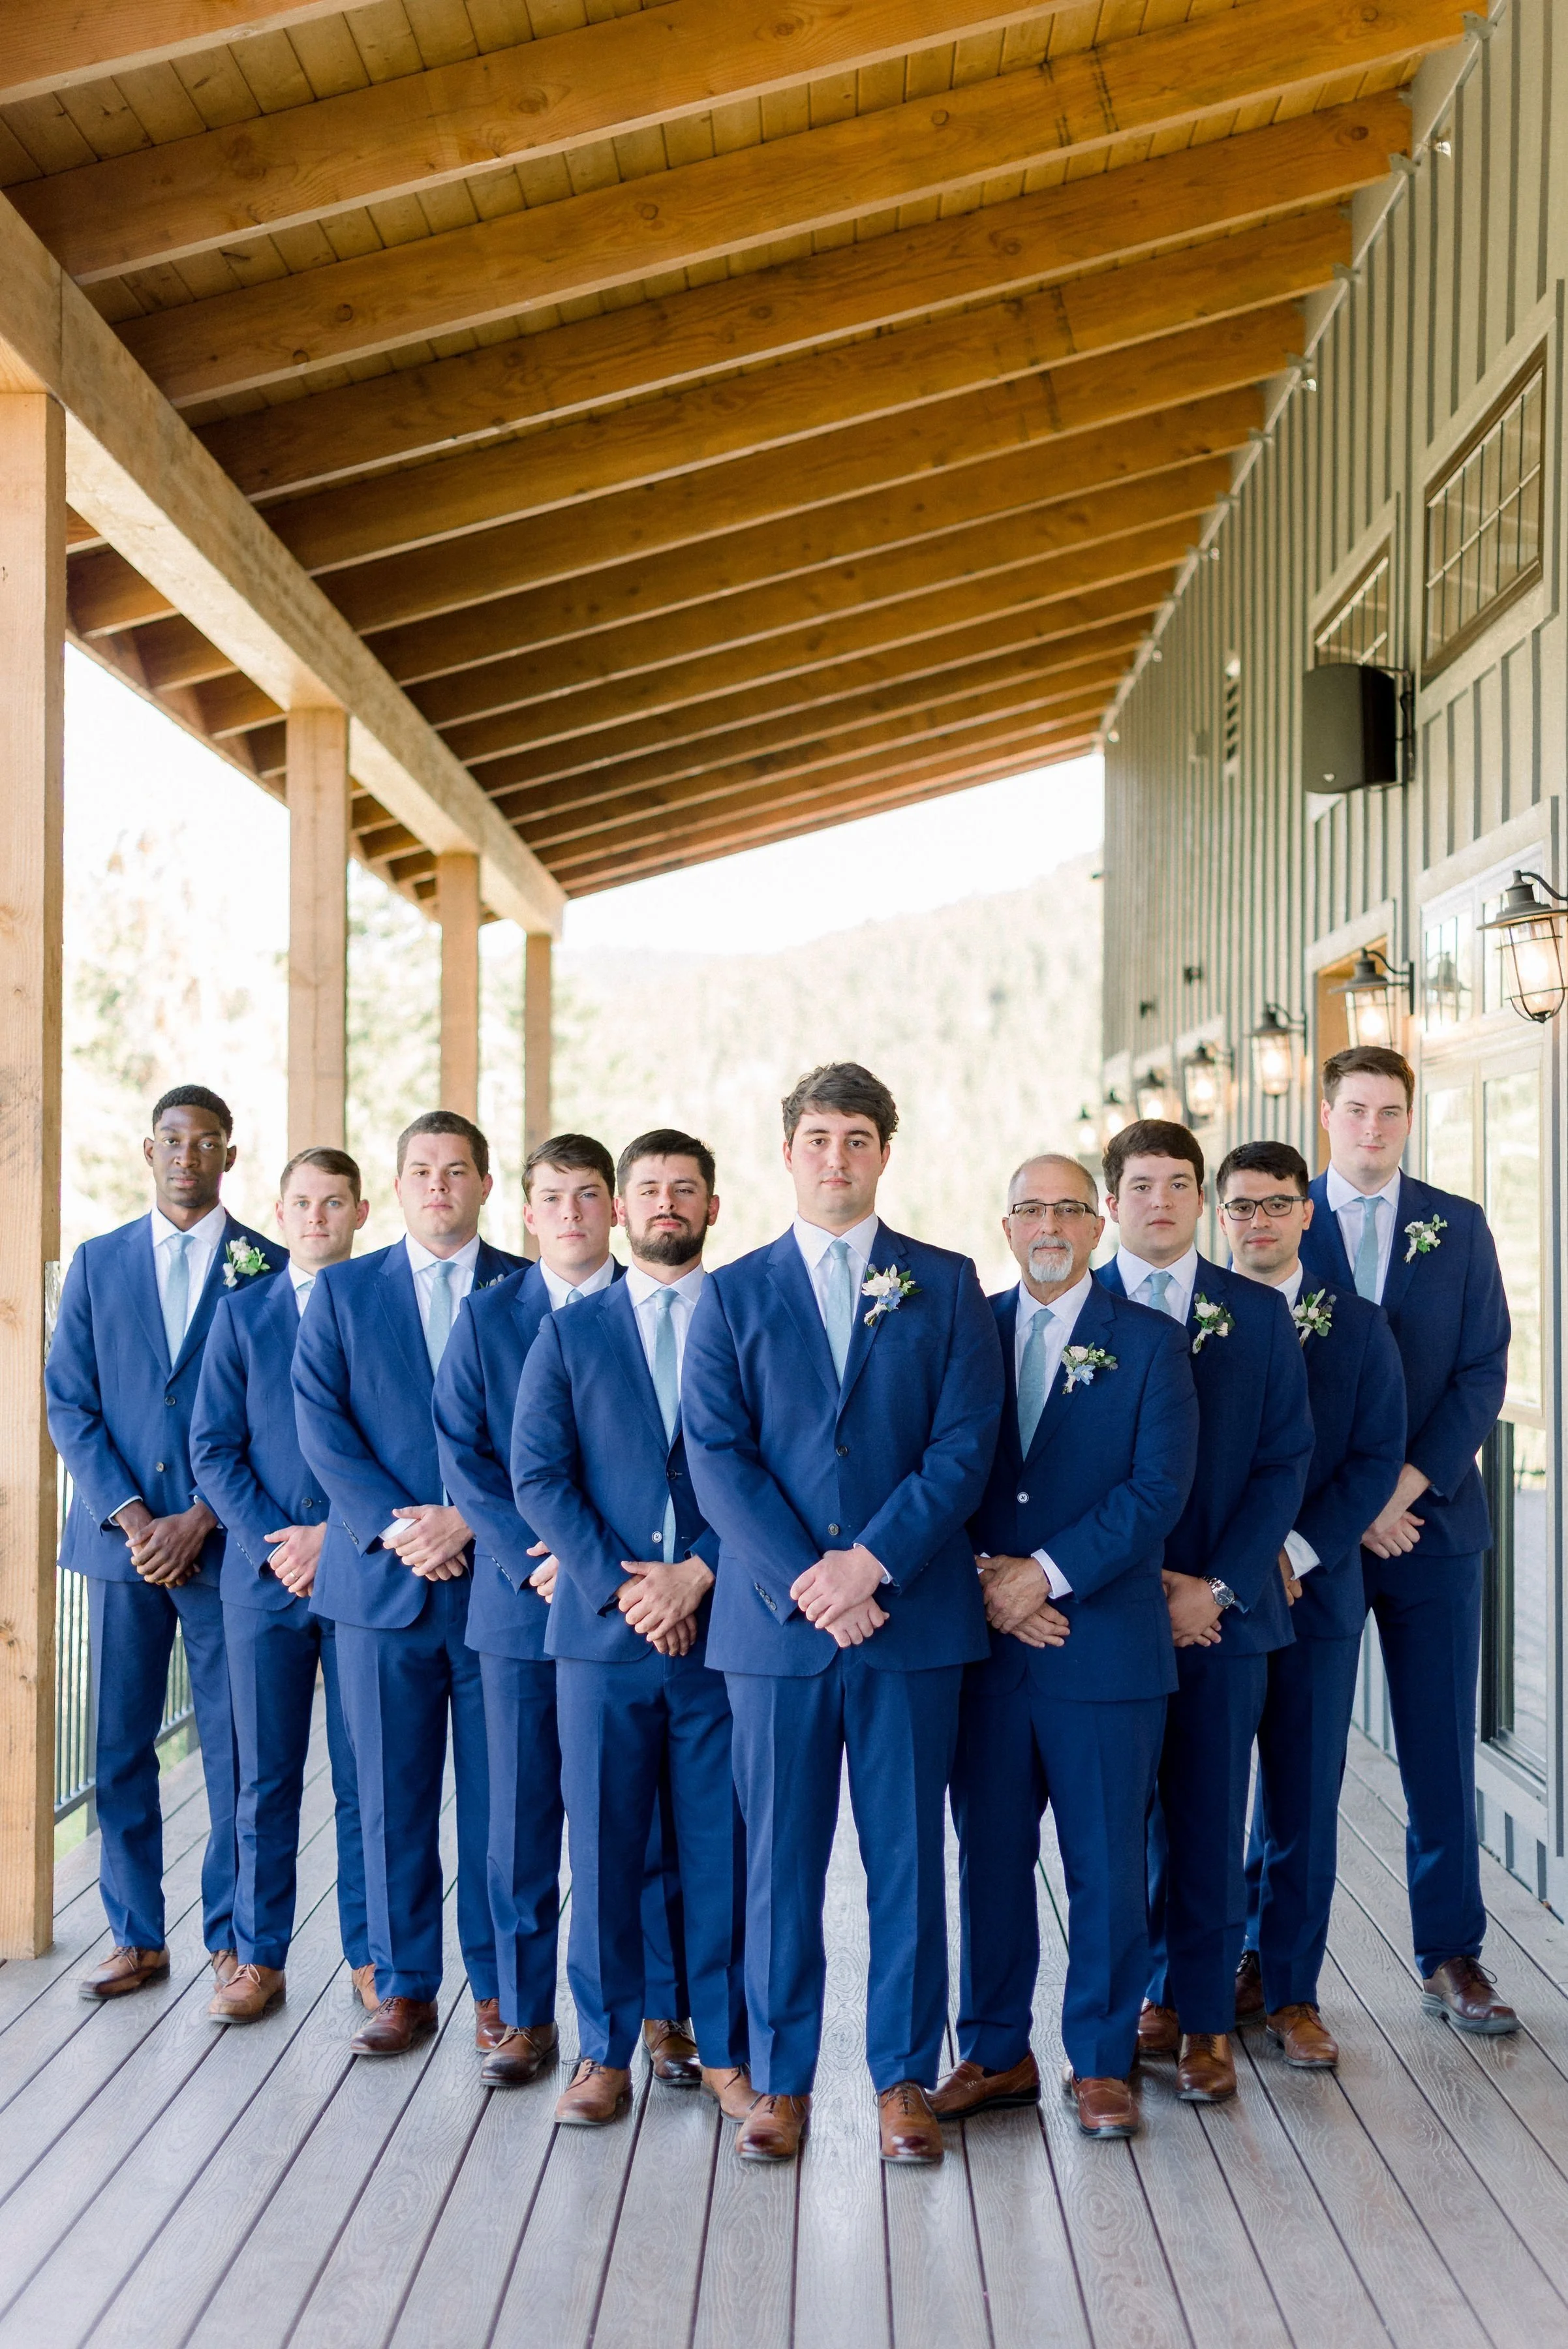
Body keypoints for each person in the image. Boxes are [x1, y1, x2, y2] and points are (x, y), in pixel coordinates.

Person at [683, 1063, 1004, 2169]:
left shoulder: (949, 1284)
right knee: (776, 1859)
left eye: (856, 1138)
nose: (835, 1157)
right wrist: (806, 1581)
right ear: (787, 1153)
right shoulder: (728, 1293)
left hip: (909, 1621)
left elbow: (964, 1450)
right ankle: (779, 2080)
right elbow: (716, 1458)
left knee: (908, 1857)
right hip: (775, 1633)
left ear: (883, 1152)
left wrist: (870, 1564)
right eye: (816, 1137)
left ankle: (902, 2078)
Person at [934, 1154, 1197, 2141]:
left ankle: (1099, 2060)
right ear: (1005, 1227)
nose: (1049, 1224)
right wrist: (982, 1583)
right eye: (1030, 1208)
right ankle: (996, 2051)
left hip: (1104, 1649)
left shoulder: (1151, 1342)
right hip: (986, 1656)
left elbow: (1155, 1490)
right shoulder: (962, 1334)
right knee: (989, 1860)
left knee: (1105, 1864)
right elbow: (925, 1469)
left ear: (1098, 1228)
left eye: (1068, 1209)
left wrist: (1038, 1575)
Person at [433, 1132, 696, 2091]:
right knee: (520, 1818)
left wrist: (606, 1575)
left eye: (590, 1195)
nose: (574, 1213)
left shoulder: (664, 1304)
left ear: (614, 1210)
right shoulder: (489, 1315)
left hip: (629, 1607)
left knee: (650, 1821)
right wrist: (536, 1557)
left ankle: (667, 2014)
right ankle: (522, 2011)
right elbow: (466, 1451)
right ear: (529, 1211)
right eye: (555, 1197)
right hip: (521, 1601)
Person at [513, 1129, 750, 2128]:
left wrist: (698, 1572)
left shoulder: (750, 1317)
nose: (665, 1204)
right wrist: (622, 1587)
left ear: (710, 1207)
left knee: (719, 1848)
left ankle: (728, 2048)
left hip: (723, 1630)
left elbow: (774, 1471)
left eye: (683, 1189)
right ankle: (604, 2052)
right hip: (601, 1639)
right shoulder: (570, 1331)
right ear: (617, 1208)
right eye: (647, 1189)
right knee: (605, 1852)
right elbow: (538, 1476)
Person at [293, 1111, 523, 2056]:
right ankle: (403, 1984)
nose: (439, 1186)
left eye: (457, 1170)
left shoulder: (527, 1291)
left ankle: (504, 1990)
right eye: (422, 1171)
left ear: (483, 1186)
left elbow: (549, 1431)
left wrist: (471, 1519)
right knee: (388, 1795)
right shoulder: (343, 1295)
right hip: (379, 1591)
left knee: (503, 1798)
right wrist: (403, 1528)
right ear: (396, 1188)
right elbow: (322, 1426)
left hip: (498, 1590)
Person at [1096, 1120, 1313, 2104]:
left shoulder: (1255, 1314)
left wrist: (1215, 1587)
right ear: (1112, 1202)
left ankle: (1207, 2024)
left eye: (1177, 1184)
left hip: (1224, 1616)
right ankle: (1150, 1993)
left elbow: (1282, 1464)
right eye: (1139, 1185)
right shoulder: (1074, 1307)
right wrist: (1137, 1590)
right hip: (1104, 1615)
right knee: (1121, 1819)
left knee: (1209, 1816)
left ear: (1199, 1201)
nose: (1158, 1201)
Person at [1300, 1046, 1514, 2033]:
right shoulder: (1282, 1219)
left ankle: (1450, 1954)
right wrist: (1348, 1506)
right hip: (1316, 1542)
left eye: (1389, 1112)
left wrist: (1403, 1487)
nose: (1372, 1128)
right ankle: (1272, 1955)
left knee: (1436, 1747)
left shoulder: (1457, 1226)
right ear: (1326, 1114)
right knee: (1298, 1750)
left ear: (1407, 1118)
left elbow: (1480, 1374)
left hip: (1434, 1526)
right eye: (1355, 1110)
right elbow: (1267, 1388)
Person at [46, 1086, 275, 2001]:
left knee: (233, 1749)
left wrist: (204, 1516)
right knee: (119, 1745)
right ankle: (136, 1935)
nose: (188, 1155)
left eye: (207, 1141)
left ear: (229, 1154)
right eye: (173, 1140)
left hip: (222, 1548)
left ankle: (231, 1938)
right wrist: (137, 1517)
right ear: (149, 1151)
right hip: (123, 1546)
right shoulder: (98, 1264)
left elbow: (274, 1410)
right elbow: (71, 1400)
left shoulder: (263, 1265)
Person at [1216, 1140, 1405, 2067]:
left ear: (1306, 1215)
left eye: (1276, 1204)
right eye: (1242, 1205)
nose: (1259, 1221)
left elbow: (1374, 1458)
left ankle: (1290, 1991)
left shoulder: (1359, 1327)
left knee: (1301, 1804)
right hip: (1213, 1608)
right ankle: (1190, 1988)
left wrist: (1290, 1550)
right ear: (1222, 1217)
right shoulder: (1191, 1319)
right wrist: (1236, 1565)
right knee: (1196, 1805)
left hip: (1316, 1597)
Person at [190, 1147, 374, 2024]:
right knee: (262, 1779)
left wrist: (331, 1541)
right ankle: (257, 1956)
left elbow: (400, 1450)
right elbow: (212, 1448)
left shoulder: (382, 1310)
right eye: (301, 1202)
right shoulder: (242, 1314)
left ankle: (373, 1956)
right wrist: (276, 1544)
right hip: (260, 1586)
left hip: (361, 1580)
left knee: (364, 1777)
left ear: (360, 1213)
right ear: (279, 1208)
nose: (315, 1217)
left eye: (333, 1203)